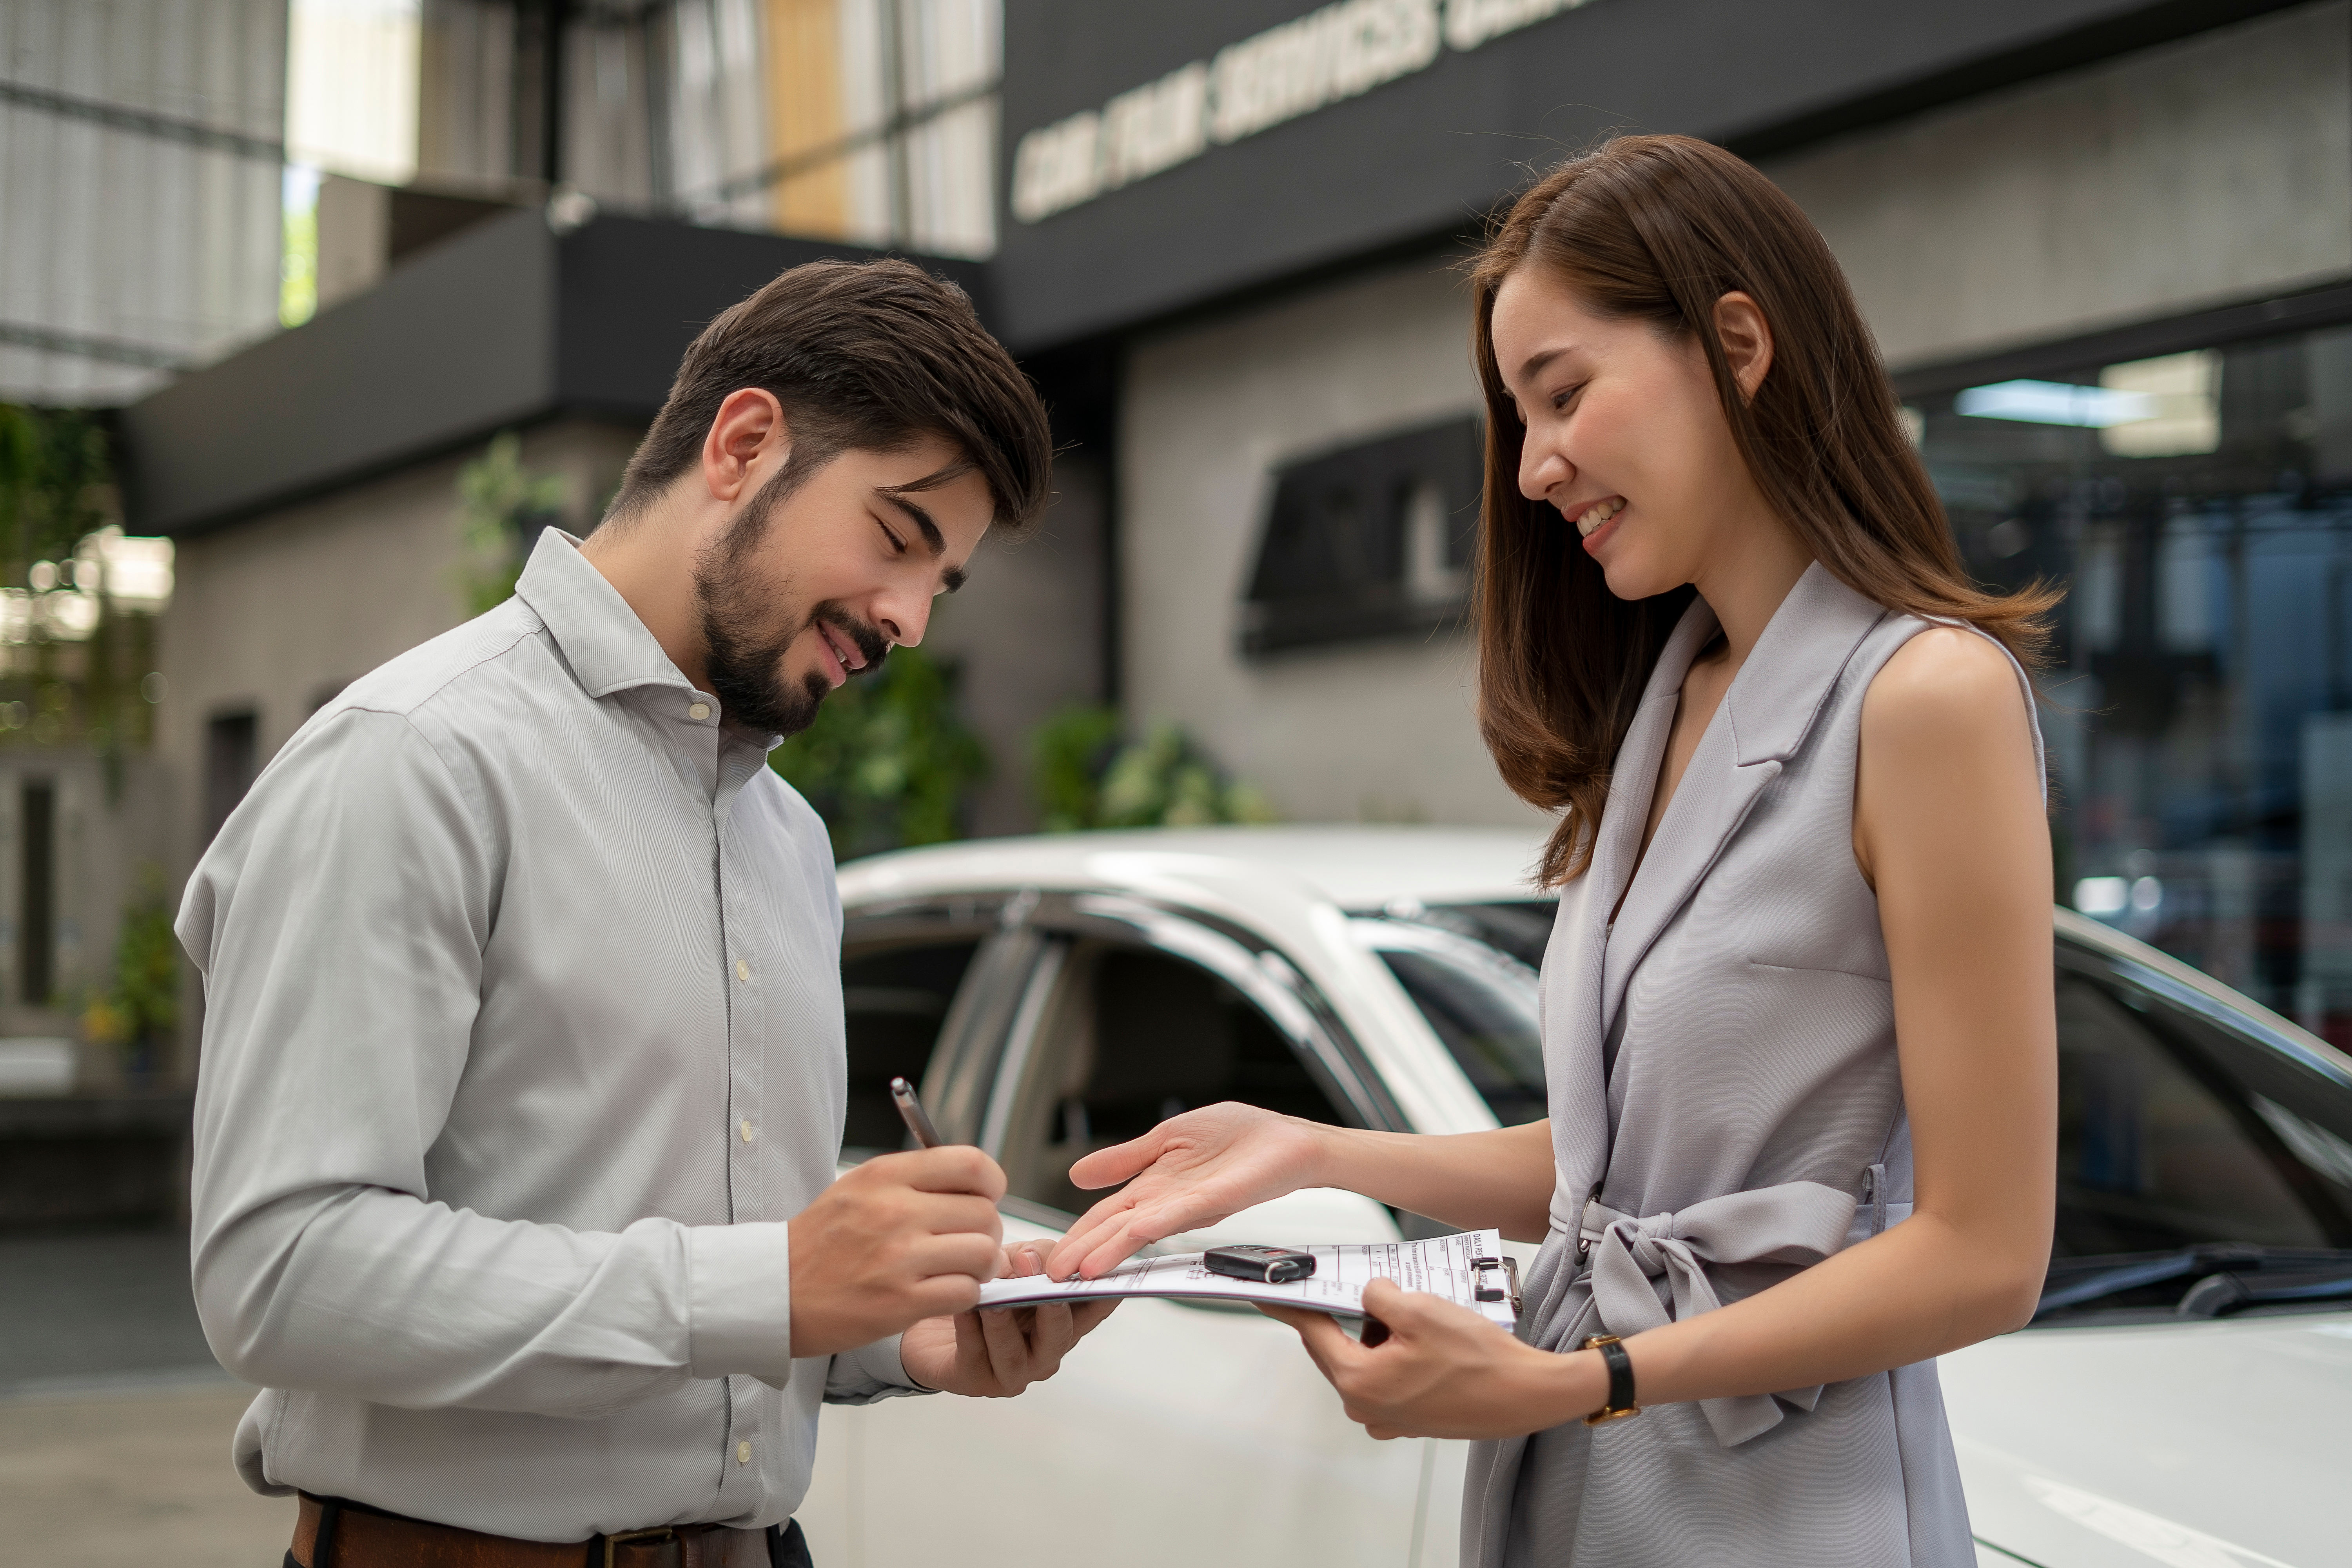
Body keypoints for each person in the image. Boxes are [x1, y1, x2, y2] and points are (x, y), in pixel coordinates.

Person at [1045, 134, 2058, 1566]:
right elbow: (1623, 1180)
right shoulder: (1668, 703)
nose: (1533, 469)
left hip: (1788, 1510)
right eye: (1521, 420)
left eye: (1565, 395)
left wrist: (1591, 1381)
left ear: (1741, 344)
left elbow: (1986, 1250)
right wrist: (1315, 1149)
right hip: (1582, 1482)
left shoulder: (1927, 699)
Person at [183, 258, 1112, 1568]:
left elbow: (722, 1295)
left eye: (939, 583)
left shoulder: (786, 837)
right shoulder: (413, 760)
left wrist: (899, 1333)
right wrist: (767, 1285)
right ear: (743, 445)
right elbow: (279, 1273)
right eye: (899, 537)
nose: (906, 618)